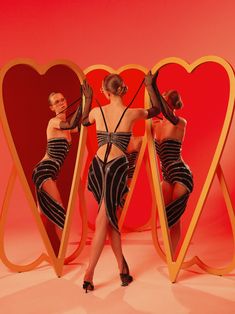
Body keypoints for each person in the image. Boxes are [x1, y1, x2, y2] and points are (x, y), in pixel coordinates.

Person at [81, 72, 161, 292]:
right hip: (111, 168)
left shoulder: (97, 111)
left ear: (105, 92)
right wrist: (150, 86)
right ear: (120, 90)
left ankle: (90, 273)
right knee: (108, 220)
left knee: (103, 220)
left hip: (100, 167)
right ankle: (122, 268)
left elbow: (83, 120)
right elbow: (156, 110)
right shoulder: (132, 113)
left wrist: (87, 100)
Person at [32, 81, 92, 255]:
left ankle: (51, 251)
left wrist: (87, 101)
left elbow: (84, 122)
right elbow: (72, 124)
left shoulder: (69, 129)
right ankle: (61, 255)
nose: (61, 103)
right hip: (44, 171)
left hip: (49, 173)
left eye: (62, 99)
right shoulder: (54, 122)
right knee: (59, 212)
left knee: (43, 214)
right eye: (56, 102)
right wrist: (84, 101)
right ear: (51, 107)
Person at [151, 85, 194, 256]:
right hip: (166, 176)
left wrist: (151, 87)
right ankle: (171, 254)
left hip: (181, 174)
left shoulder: (180, 122)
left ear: (169, 101)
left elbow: (168, 114)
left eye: (164, 95)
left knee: (174, 220)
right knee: (165, 217)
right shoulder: (155, 124)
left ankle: (173, 257)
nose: (161, 97)